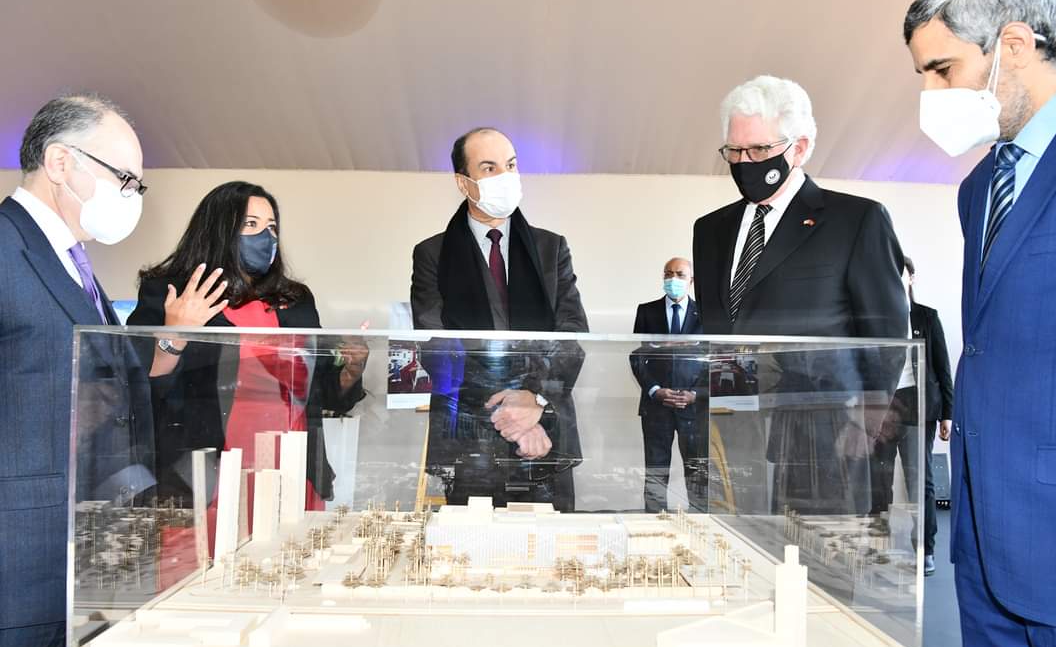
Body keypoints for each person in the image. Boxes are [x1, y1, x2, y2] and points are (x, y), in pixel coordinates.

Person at [905, 0, 1056, 647]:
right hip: (984, 542)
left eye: (943, 69)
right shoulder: (979, 186)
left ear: (1013, 45)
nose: (931, 93)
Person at [693, 75, 909, 515]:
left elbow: (885, 334)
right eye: (734, 151)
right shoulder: (710, 230)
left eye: (759, 150)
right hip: (732, 431)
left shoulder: (857, 221)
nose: (744, 162)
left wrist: (866, 421)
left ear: (800, 147)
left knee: (816, 553)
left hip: (826, 434)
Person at [0, 94, 154, 647]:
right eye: (124, 179)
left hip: (88, 551)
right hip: (22, 562)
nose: (132, 196)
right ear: (60, 162)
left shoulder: (73, 261)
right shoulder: (5, 246)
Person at [128, 181, 368, 525]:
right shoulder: (173, 292)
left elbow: (320, 394)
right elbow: (142, 390)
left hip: (292, 462)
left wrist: (350, 372)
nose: (266, 237)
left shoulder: (296, 300)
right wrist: (175, 334)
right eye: (250, 224)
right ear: (218, 229)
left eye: (272, 227)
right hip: (207, 470)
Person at [411, 127, 588, 511]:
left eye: (510, 165)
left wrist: (533, 400)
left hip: (546, 432)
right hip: (471, 438)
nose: (505, 177)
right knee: (475, 545)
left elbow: (572, 334)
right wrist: (511, 414)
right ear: (464, 182)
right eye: (489, 168)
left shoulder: (551, 248)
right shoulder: (432, 255)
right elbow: (439, 348)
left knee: (553, 544)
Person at [870, 256, 954, 576]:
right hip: (884, 408)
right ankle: (878, 544)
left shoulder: (926, 317)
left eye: (900, 273)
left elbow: (943, 367)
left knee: (920, 481)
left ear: (911, 279)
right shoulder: (874, 320)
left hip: (920, 408)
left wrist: (948, 413)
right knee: (879, 478)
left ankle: (925, 549)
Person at [629, 257, 710, 512]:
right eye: (668, 273)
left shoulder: (707, 314)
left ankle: (699, 523)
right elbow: (638, 356)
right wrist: (655, 390)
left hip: (694, 408)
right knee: (656, 470)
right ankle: (653, 524)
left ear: (691, 280)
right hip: (657, 407)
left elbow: (714, 360)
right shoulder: (647, 311)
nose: (673, 279)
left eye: (679, 274)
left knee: (697, 472)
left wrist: (696, 394)